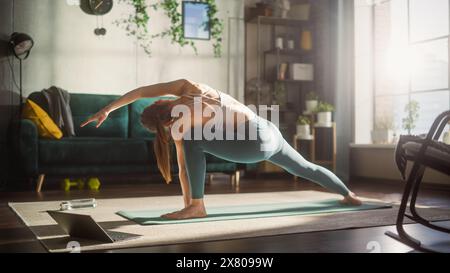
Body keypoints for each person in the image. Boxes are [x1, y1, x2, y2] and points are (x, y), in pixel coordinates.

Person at [81, 79, 362, 220]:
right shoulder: (190, 86)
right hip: (269, 131)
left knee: (191, 144)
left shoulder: (182, 125)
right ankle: (349, 195)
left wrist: (189, 204)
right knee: (306, 168)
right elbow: (142, 92)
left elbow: (184, 169)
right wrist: (107, 108)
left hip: (254, 140)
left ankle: (197, 207)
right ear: (162, 103)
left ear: (164, 122)